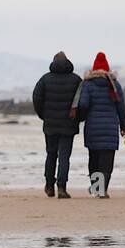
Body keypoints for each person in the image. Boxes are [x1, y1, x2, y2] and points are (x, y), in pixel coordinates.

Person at [71, 51, 125, 197]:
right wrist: (123, 126)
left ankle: (97, 188)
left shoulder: (88, 84)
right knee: (107, 162)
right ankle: (103, 190)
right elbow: (121, 107)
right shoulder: (115, 85)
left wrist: (81, 117)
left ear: (94, 69)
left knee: (94, 160)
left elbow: (82, 105)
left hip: (93, 128)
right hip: (110, 128)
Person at [32, 51, 82, 198]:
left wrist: (44, 115)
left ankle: (49, 185)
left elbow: (36, 98)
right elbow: (83, 102)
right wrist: (78, 118)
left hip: (50, 124)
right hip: (69, 124)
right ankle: (61, 187)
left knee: (51, 154)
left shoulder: (45, 79)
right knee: (64, 156)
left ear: (53, 62)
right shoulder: (76, 80)